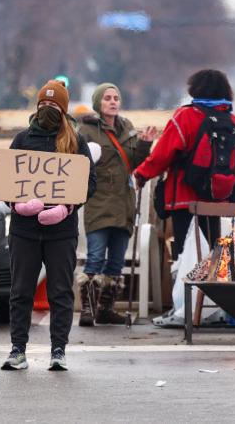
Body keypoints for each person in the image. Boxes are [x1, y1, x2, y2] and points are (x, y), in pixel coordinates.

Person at [1, 80, 96, 371]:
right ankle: (18, 350)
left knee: (60, 291)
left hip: (60, 231)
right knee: (21, 290)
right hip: (24, 230)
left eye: (54, 105)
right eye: (43, 104)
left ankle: (58, 350)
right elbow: (7, 182)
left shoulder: (75, 142)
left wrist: (66, 208)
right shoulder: (21, 139)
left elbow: (89, 183)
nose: (47, 109)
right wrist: (17, 205)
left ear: (63, 109)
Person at [133, 69, 235, 259]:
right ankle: (210, 287)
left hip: (185, 197)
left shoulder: (186, 116)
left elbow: (162, 154)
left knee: (186, 255)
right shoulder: (229, 119)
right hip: (216, 197)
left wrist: (141, 174)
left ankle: (186, 288)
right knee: (213, 255)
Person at [76, 83, 159, 326]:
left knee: (116, 262)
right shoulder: (86, 131)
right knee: (95, 258)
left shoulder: (128, 129)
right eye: (107, 98)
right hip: (99, 201)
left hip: (124, 202)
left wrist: (144, 144)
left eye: (116, 98)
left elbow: (135, 164)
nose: (113, 102)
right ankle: (88, 310)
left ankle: (105, 309)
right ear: (98, 103)